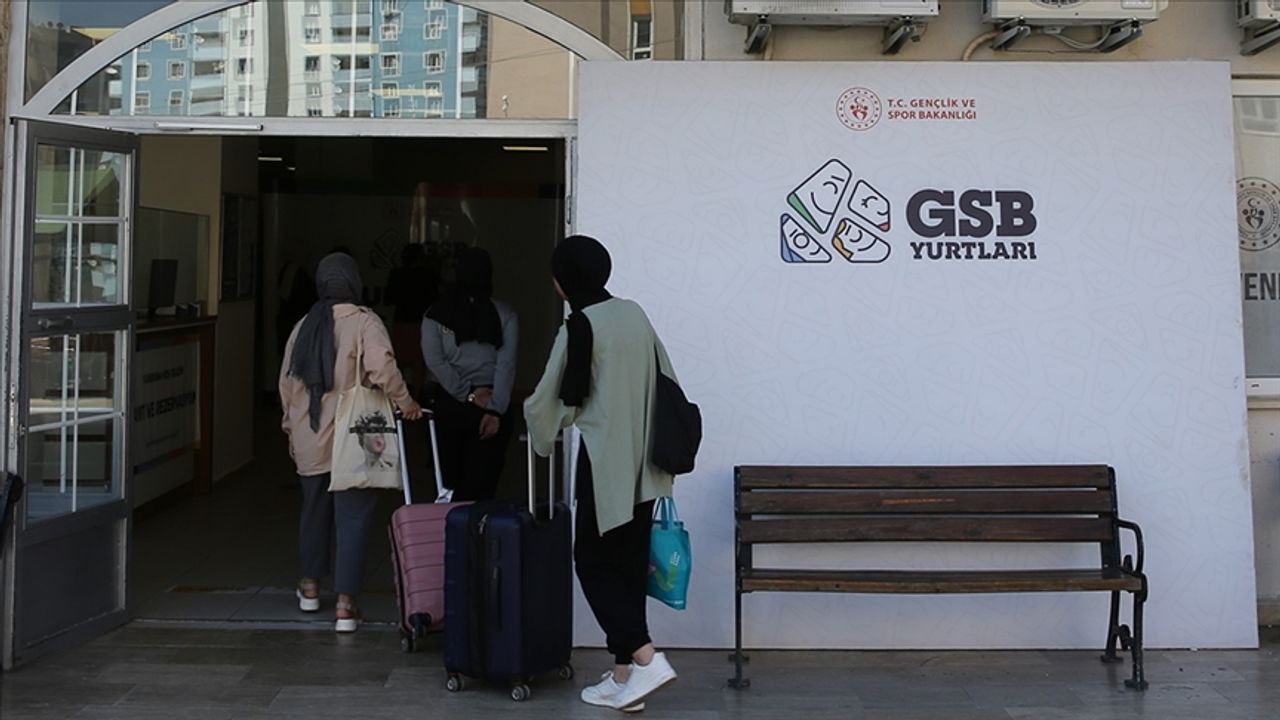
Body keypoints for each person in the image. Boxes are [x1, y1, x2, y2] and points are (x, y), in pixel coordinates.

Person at [523, 235, 679, 712]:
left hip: (606, 461)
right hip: (646, 462)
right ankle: (625, 677)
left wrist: (536, 431)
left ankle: (646, 658)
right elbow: (665, 377)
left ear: (563, 281)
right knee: (628, 566)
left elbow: (550, 400)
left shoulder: (579, 326)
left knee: (592, 561)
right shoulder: (633, 313)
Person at [279, 252, 423, 633]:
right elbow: (382, 368)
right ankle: (346, 604)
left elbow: (287, 385)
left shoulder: (303, 326)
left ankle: (310, 587)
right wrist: (406, 402)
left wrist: (291, 429)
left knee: (313, 511)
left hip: (309, 435)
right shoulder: (365, 322)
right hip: (355, 439)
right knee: (353, 518)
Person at [420, 247, 518, 501]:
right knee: (483, 486)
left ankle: (451, 526)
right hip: (492, 404)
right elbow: (506, 365)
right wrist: (495, 409)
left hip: (449, 404)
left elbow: (435, 362)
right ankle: (480, 526)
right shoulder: (505, 314)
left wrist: (467, 394)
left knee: (449, 485)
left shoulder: (435, 315)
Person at [386, 243, 439, 397]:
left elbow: (390, 297)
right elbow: (434, 298)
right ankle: (416, 397)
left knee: (399, 363)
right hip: (420, 323)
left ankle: (398, 396)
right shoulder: (427, 275)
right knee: (418, 364)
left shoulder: (396, 274)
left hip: (401, 322)